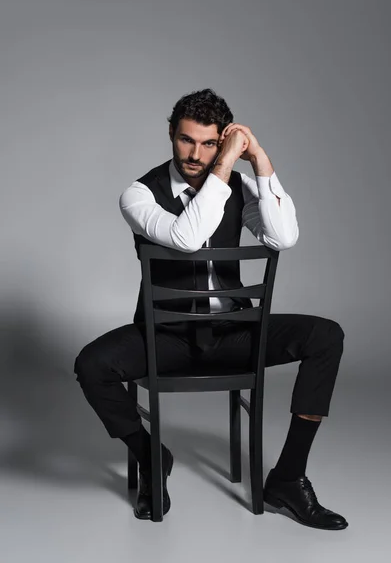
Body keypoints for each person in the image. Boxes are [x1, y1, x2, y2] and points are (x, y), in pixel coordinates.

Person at [74, 88, 348, 529]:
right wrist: (226, 163)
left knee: (326, 335)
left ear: (221, 141)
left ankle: (289, 478)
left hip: (233, 333)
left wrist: (259, 161)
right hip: (166, 339)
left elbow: (283, 237)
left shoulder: (239, 188)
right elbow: (185, 235)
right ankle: (151, 456)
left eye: (208, 144)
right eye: (186, 140)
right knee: (91, 364)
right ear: (170, 134)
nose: (195, 155)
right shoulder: (139, 195)